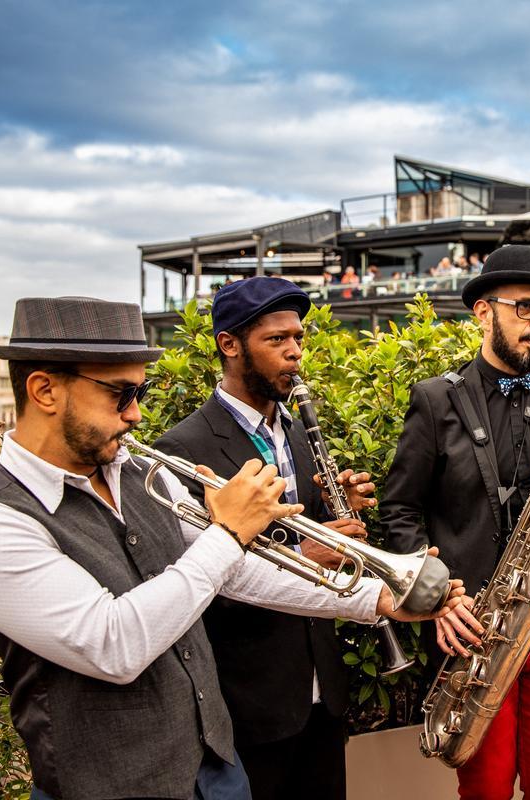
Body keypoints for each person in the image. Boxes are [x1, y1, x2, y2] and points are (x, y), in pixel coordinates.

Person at [0, 296, 464, 800]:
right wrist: (229, 533)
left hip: (215, 768)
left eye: (140, 397)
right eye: (120, 396)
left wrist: (375, 598)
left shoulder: (141, 474)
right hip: (111, 785)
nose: (136, 417)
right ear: (44, 391)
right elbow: (113, 644)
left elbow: (237, 575)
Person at [153, 278, 400, 799]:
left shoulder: (296, 431)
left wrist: (339, 512)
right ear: (229, 344)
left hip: (321, 693)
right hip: (249, 699)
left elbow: (311, 535)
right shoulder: (182, 448)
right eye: (276, 340)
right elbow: (194, 583)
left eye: (299, 339)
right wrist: (304, 554)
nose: (294, 353)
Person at [381, 245, 530, 800]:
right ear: (482, 312)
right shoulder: (435, 400)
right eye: (525, 307)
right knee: (487, 787)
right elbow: (399, 510)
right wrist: (438, 599)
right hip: (474, 622)